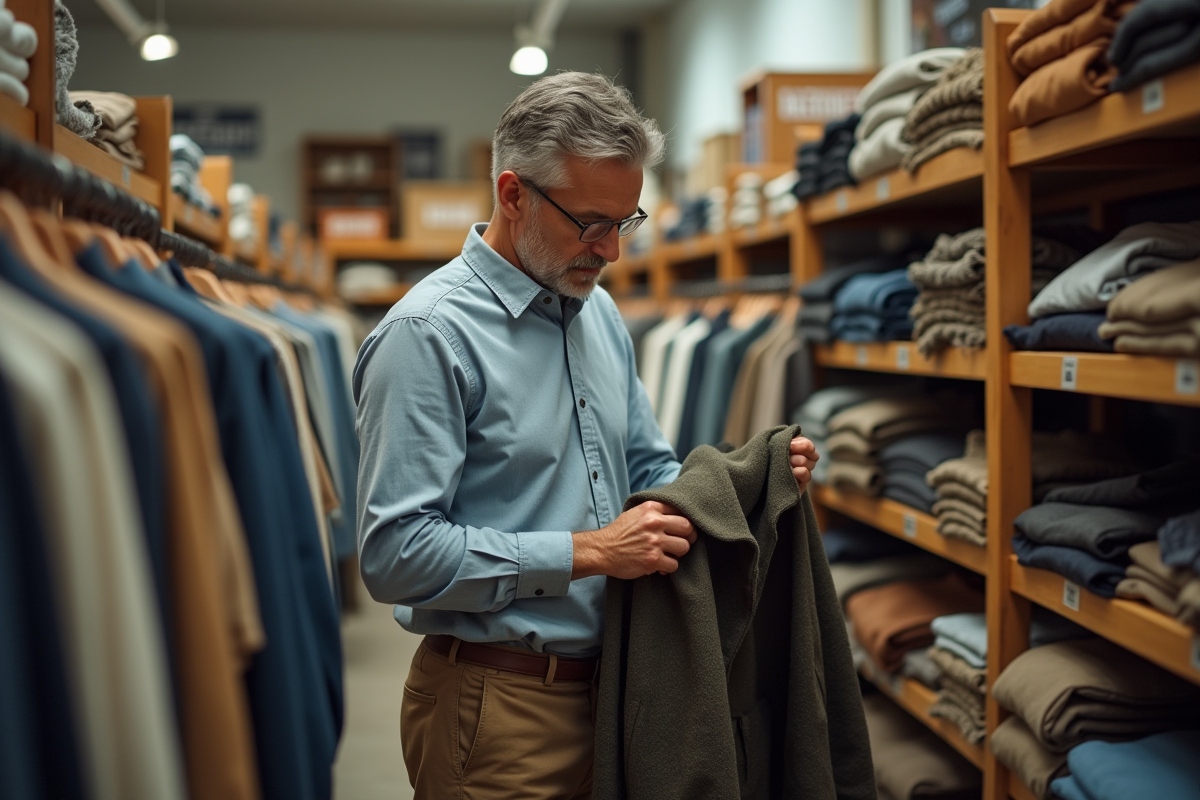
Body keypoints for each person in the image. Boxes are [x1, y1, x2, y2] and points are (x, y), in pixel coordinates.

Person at [353, 71, 820, 799]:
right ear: (513, 195)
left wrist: (747, 482)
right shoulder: (427, 335)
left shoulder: (597, 313)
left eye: (625, 223)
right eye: (591, 223)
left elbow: (648, 467)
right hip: (499, 710)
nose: (612, 252)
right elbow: (396, 555)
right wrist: (590, 552)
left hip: (622, 694)